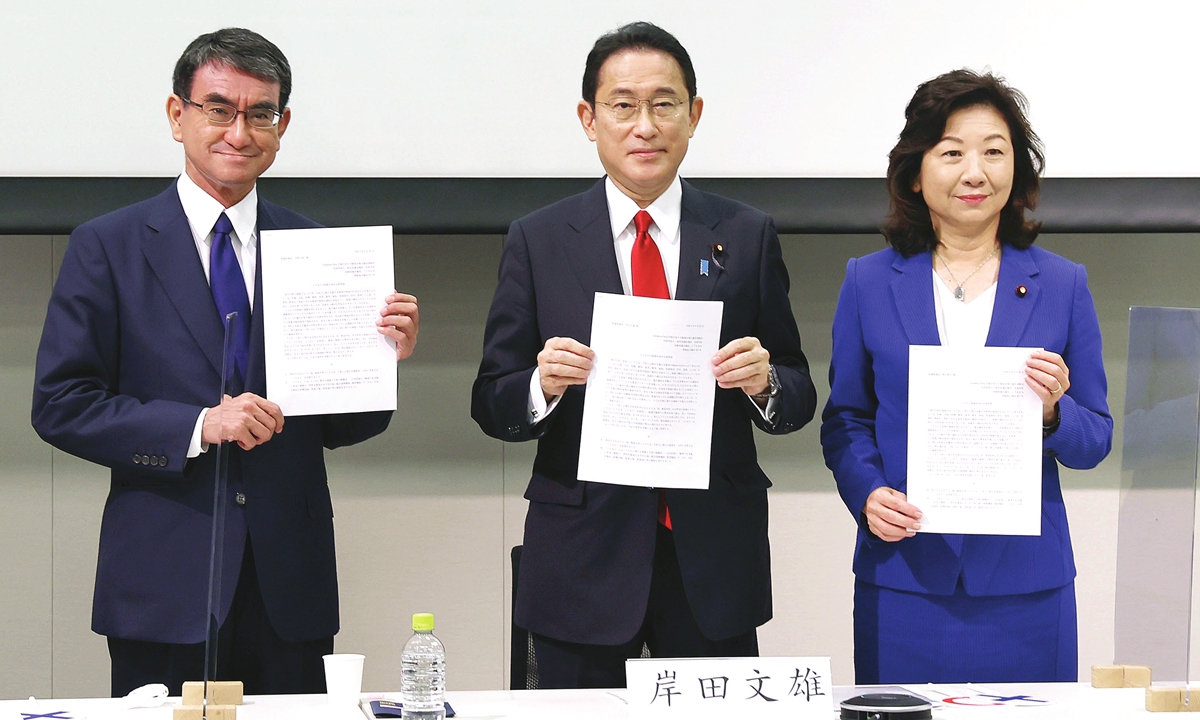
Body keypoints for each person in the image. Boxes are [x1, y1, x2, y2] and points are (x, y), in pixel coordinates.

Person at [31, 28, 419, 697]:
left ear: (282, 124)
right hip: (162, 583)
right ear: (177, 115)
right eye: (218, 109)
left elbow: (345, 425)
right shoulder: (108, 246)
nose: (239, 132)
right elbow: (61, 404)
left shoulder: (320, 250)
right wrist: (198, 425)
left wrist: (381, 359)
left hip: (287, 588)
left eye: (259, 113)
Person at [472, 22, 816, 689]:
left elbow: (798, 390)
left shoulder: (746, 235)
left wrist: (765, 381)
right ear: (588, 118)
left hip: (711, 555)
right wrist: (541, 385)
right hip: (582, 558)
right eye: (622, 105)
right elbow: (492, 399)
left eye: (664, 104)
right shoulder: (539, 240)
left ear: (694, 116)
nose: (645, 125)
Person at [821, 69, 1112, 684]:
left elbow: (1096, 440)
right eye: (951, 152)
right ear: (917, 170)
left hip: (1026, 586)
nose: (973, 172)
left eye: (994, 152)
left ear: (1018, 171)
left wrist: (1054, 414)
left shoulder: (1064, 283)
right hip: (905, 580)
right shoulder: (868, 281)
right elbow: (846, 419)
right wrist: (869, 493)